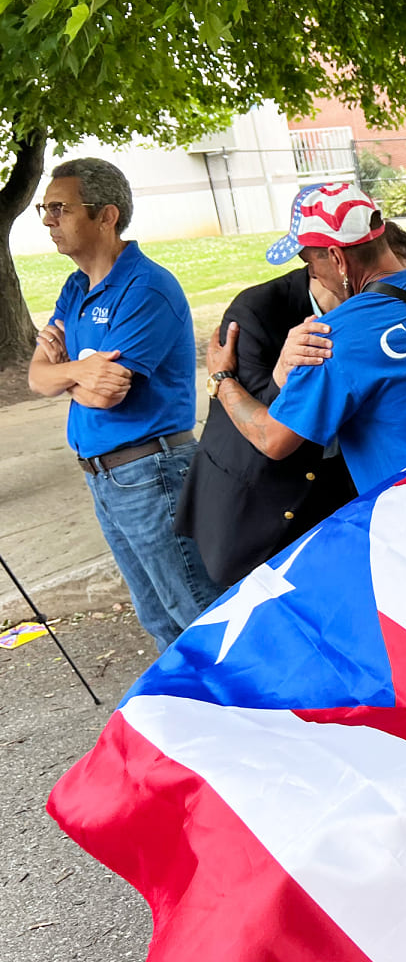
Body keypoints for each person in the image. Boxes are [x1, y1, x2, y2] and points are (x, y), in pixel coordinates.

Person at [204, 183, 406, 495]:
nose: (313, 275)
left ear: (337, 258)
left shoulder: (334, 337)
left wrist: (223, 379)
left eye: (309, 262)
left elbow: (272, 440)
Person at [27, 157, 219, 651]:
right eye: (43, 209)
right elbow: (37, 378)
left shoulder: (146, 288)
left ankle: (266, 716)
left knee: (196, 612)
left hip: (151, 473)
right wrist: (77, 371)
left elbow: (107, 394)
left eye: (60, 208)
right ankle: (195, 717)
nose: (48, 220)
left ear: (106, 215)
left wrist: (66, 370)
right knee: (158, 618)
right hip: (104, 476)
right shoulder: (76, 288)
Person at [172, 190, 406, 586]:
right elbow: (256, 424)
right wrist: (278, 373)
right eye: (305, 258)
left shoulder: (385, 306)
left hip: (336, 500)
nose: (308, 267)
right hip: (252, 507)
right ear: (334, 260)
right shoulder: (257, 310)